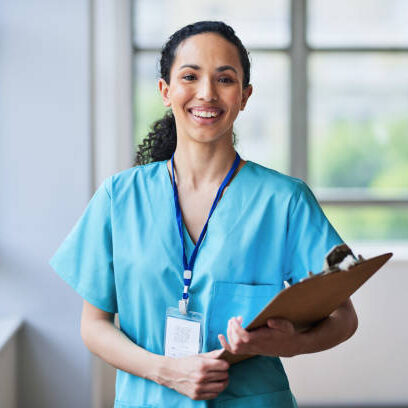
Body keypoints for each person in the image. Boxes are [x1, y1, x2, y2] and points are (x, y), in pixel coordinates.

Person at [49, 20, 358, 408]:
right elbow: (94, 326)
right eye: (190, 76)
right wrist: (165, 370)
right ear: (166, 91)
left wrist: (291, 342)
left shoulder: (285, 201)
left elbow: (343, 317)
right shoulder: (119, 197)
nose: (207, 93)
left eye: (225, 79)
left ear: (244, 96)